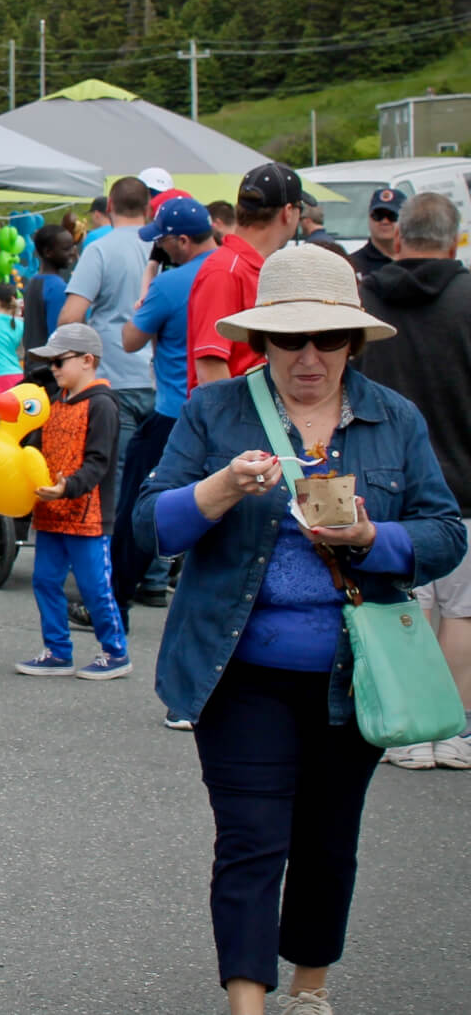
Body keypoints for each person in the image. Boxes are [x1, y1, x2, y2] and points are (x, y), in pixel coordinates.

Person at [133, 244, 464, 1015]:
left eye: (327, 339)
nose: (308, 357)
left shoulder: (396, 418)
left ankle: (310, 990)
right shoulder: (216, 411)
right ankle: (247, 1001)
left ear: (353, 341)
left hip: (356, 670)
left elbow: (447, 532)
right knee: (250, 839)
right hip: (239, 665)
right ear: (263, 340)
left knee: (325, 841)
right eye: (289, 339)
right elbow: (148, 524)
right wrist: (216, 489)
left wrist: (372, 540)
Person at [358, 192, 471, 770]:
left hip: (386, 478)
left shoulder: (367, 299)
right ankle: (452, 730)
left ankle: (404, 728)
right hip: (465, 482)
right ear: (454, 240)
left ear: (398, 238)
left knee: (403, 607)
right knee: (461, 613)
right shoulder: (468, 297)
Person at [114, 198, 222, 620]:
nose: (157, 246)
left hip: (174, 410)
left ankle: (114, 599)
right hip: (225, 409)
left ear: (179, 241)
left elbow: (130, 339)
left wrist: (150, 276)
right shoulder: (232, 271)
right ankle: (162, 582)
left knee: (138, 506)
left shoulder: (171, 285)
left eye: (161, 240)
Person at [13, 324, 130, 680]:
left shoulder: (102, 405)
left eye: (60, 361)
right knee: (45, 580)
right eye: (51, 363)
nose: (54, 369)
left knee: (95, 586)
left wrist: (68, 488)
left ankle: (115, 652)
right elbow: (37, 447)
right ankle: (57, 650)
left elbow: (99, 462)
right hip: (50, 511)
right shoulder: (55, 400)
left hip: (88, 516)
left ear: (87, 360)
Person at [59, 176, 155, 477]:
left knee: (117, 472)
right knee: (158, 475)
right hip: (161, 378)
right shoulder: (165, 249)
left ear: (110, 206)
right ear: (149, 207)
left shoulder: (99, 249)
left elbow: (70, 317)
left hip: (113, 374)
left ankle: (115, 527)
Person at [189, 164, 305, 390]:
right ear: (288, 212)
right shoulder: (225, 270)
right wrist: (234, 424)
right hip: (235, 418)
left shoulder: (252, 267)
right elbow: (210, 366)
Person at [21, 224, 76, 371]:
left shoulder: (33, 282)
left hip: (32, 365)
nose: (72, 253)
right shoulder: (57, 288)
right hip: (49, 371)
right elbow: (58, 338)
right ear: (48, 252)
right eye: (66, 249)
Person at [348, 187, 405, 277]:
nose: (385, 221)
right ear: (369, 218)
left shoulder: (416, 262)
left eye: (392, 216)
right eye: (378, 216)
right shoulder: (352, 264)